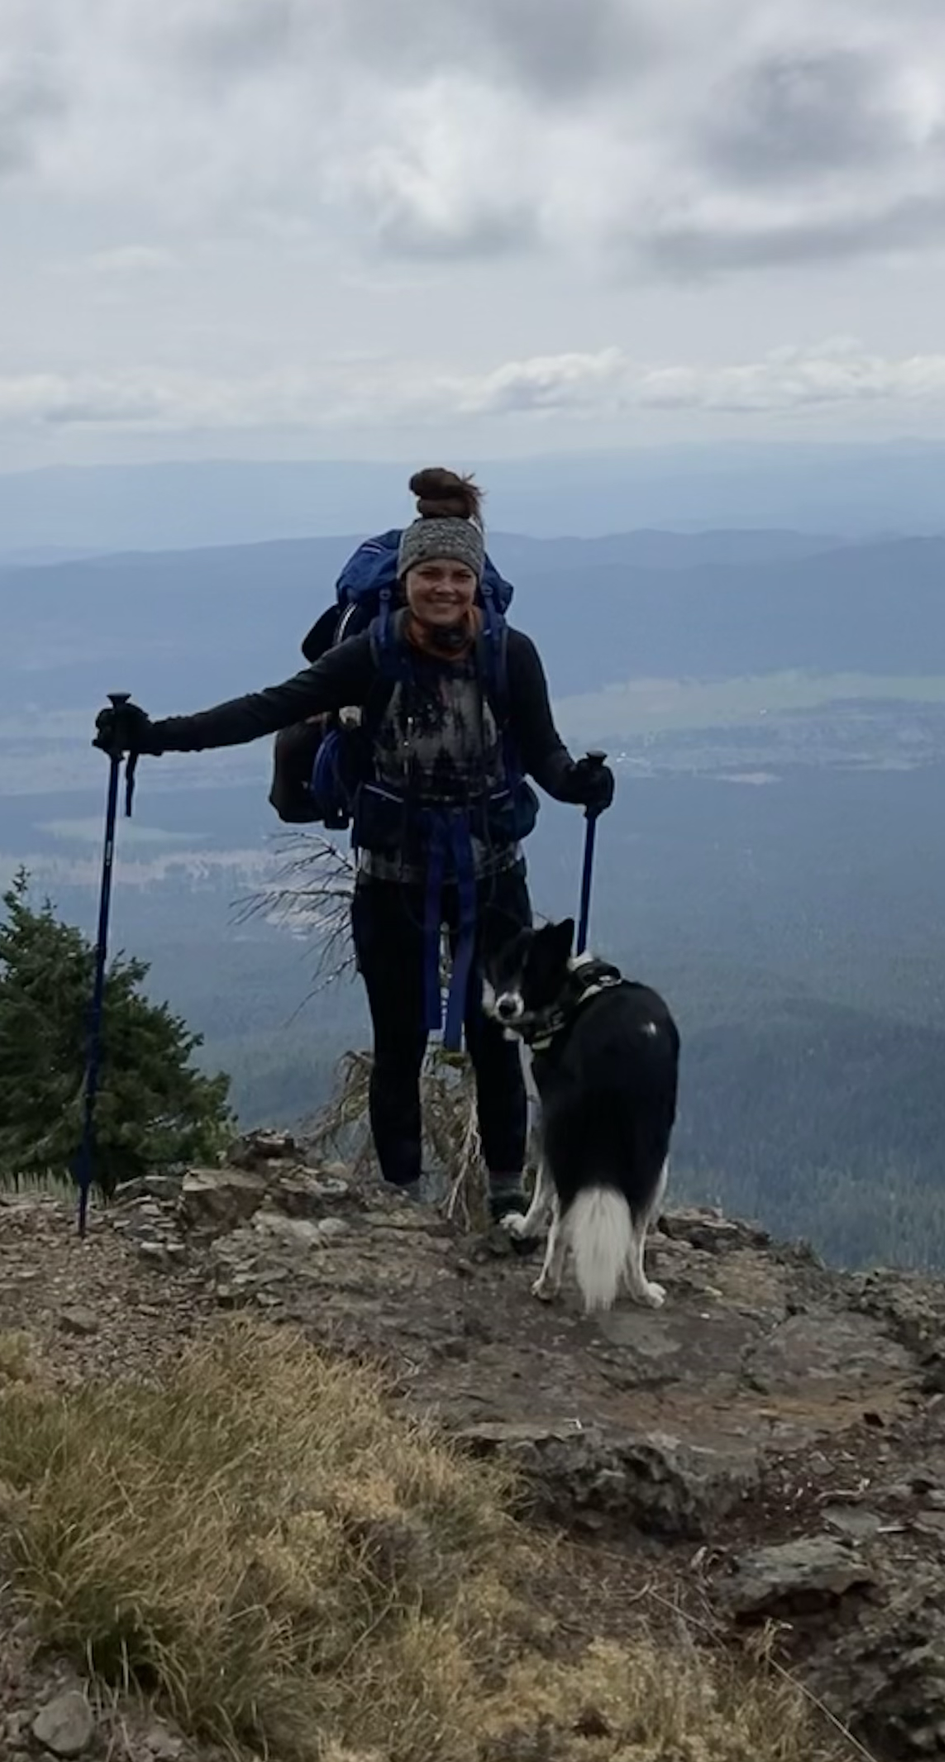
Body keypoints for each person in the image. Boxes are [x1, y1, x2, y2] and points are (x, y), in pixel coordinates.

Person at [91, 469, 612, 1217]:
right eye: (429, 572)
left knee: (497, 1036)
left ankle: (505, 1202)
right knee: (398, 1041)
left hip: (491, 874)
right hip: (394, 874)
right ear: (405, 580)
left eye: (457, 573)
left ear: (476, 580)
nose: (443, 587)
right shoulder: (370, 654)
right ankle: (403, 1203)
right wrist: (154, 738)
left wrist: (582, 781)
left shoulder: (510, 654)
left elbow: (543, 753)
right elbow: (265, 708)